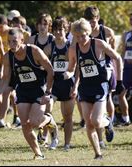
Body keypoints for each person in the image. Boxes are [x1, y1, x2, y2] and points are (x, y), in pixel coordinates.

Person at [0, 28, 58, 159]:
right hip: (23, 91)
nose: (12, 45)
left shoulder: (34, 51)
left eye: (15, 41)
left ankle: (50, 121)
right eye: (9, 42)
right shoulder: (8, 56)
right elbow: (6, 78)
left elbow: (50, 70)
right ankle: (38, 154)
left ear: (22, 40)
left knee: (36, 122)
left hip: (39, 90)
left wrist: (48, 92)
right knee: (25, 124)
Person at [63, 18, 124, 159]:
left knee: (96, 121)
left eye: (83, 35)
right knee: (89, 123)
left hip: (100, 86)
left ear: (88, 32)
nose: (81, 39)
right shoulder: (73, 49)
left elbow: (118, 58)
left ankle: (108, 122)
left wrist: (119, 81)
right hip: (85, 88)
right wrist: (68, 74)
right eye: (77, 37)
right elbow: (72, 68)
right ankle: (98, 154)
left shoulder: (99, 44)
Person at [83, 6, 120, 149]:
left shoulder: (107, 32)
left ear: (97, 18)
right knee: (92, 108)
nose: (90, 24)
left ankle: (109, 121)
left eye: (92, 21)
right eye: (88, 21)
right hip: (89, 72)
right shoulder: (84, 32)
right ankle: (100, 138)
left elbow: (113, 53)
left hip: (105, 69)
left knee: (108, 97)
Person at [43, 16, 75, 150]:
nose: (57, 32)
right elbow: (42, 65)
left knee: (67, 117)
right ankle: (54, 137)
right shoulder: (50, 47)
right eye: (55, 29)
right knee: (47, 110)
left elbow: (76, 67)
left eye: (60, 29)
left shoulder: (71, 47)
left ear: (66, 30)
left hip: (68, 84)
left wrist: (70, 74)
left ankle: (67, 144)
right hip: (54, 85)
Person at [29, 13, 55, 146]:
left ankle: (46, 135)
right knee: (39, 109)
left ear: (49, 26)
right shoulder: (32, 39)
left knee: (48, 108)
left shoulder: (53, 40)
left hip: (50, 76)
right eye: (40, 24)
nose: (42, 26)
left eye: (45, 24)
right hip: (36, 78)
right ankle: (43, 133)